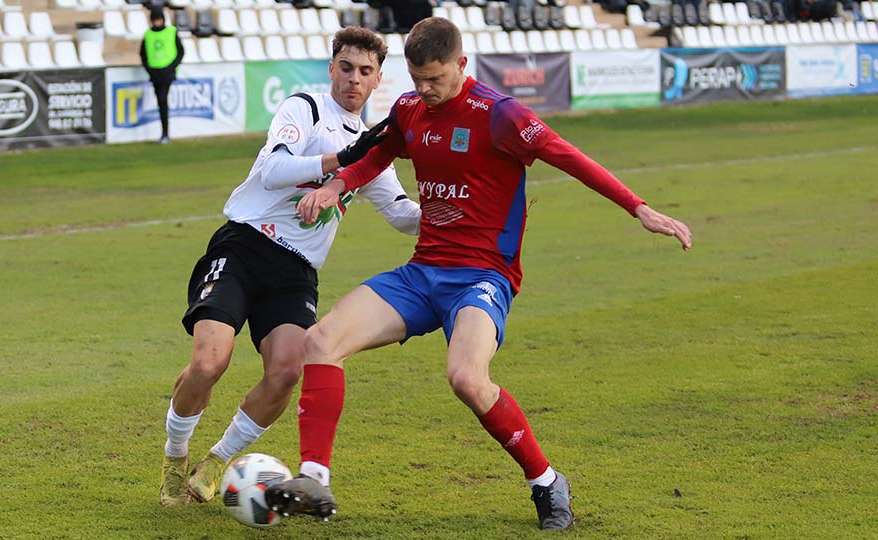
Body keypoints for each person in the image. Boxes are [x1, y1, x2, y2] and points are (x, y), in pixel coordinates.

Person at [265, 17, 692, 531]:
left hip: (482, 277)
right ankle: (314, 477)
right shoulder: (408, 109)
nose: (425, 90)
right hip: (423, 272)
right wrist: (337, 185)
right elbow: (378, 155)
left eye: (435, 80)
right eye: (416, 79)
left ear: (461, 66)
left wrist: (637, 207)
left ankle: (546, 481)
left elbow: (568, 157)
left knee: (467, 378)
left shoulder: (500, 115)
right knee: (320, 342)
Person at [159, 27, 421, 507]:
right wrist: (342, 158)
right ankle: (175, 458)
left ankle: (216, 462)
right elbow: (274, 171)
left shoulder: (373, 149)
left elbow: (403, 215)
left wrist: (455, 209)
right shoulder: (305, 109)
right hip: (243, 247)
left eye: (365, 72)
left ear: (379, 79)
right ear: (331, 69)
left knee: (286, 371)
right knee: (209, 361)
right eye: (346, 68)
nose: (353, 80)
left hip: (296, 272)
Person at [139, 7, 183, 144]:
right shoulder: (148, 35)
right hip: (155, 74)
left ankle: (165, 134)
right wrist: (149, 70)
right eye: (155, 19)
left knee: (163, 100)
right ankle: (164, 134)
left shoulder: (171, 32)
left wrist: (171, 67)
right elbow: (143, 54)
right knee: (161, 102)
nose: (157, 22)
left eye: (159, 19)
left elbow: (180, 52)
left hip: (167, 73)